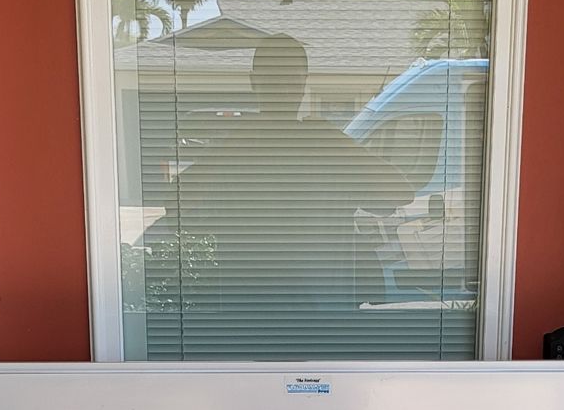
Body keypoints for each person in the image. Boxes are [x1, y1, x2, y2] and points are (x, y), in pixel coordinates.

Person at [169, 34, 414, 321]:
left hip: (317, 320)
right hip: (254, 321)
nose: (282, 89)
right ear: (254, 82)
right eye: (273, 79)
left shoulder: (325, 148)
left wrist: (337, 142)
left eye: (290, 80)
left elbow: (399, 192)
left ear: (303, 83)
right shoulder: (237, 151)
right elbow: (175, 204)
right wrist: (232, 145)